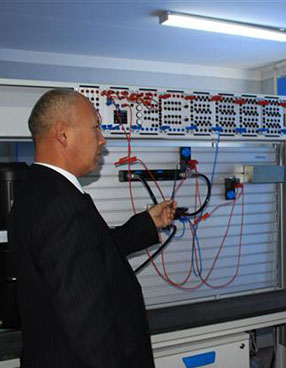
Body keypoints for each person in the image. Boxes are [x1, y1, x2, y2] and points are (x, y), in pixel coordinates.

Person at [8, 89, 176, 368]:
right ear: (63, 134)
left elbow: (88, 252)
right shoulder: (61, 207)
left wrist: (147, 223)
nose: (102, 139)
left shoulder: (33, 193)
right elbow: (92, 335)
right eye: (96, 127)